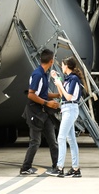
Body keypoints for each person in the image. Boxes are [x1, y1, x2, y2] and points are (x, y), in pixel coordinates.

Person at [19, 48, 61, 176]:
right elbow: (31, 95)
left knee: (53, 141)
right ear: (51, 61)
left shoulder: (44, 73)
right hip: (35, 113)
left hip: (44, 113)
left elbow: (42, 93)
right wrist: (48, 103)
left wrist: (57, 95)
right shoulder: (37, 74)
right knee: (35, 142)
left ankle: (57, 166)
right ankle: (25, 168)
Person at [51, 56, 88, 177]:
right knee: (71, 140)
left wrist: (60, 85)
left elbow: (68, 97)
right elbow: (63, 96)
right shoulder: (68, 79)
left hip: (70, 108)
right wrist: (57, 82)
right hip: (67, 108)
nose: (61, 67)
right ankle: (75, 169)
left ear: (67, 66)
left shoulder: (73, 79)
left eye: (62, 65)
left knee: (61, 138)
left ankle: (59, 168)